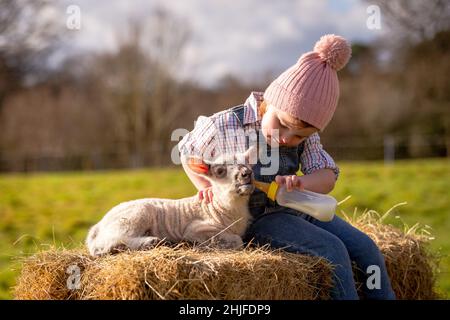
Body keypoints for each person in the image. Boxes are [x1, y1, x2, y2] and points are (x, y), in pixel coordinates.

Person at [178, 34, 395, 300]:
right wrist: (206, 186)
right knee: (333, 250)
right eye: (281, 124)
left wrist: (303, 183)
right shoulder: (224, 125)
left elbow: (327, 176)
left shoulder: (307, 135)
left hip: (296, 209)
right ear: (270, 101)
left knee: (366, 248)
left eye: (299, 136)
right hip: (258, 219)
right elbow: (187, 152)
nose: (287, 139)